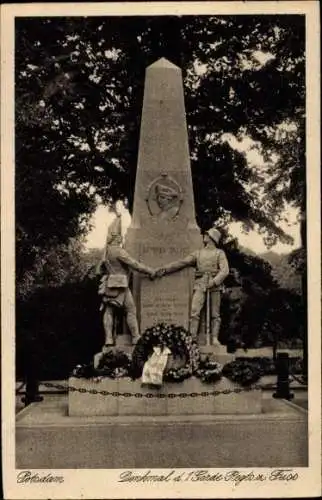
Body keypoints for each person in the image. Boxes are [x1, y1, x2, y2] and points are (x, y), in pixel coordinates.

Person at [155, 227, 229, 344]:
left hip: (215, 286)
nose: (205, 235)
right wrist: (165, 269)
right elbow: (182, 262)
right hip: (200, 284)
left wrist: (214, 282)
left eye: (207, 234)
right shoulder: (198, 253)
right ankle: (192, 338)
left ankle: (214, 338)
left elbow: (225, 270)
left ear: (212, 238)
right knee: (194, 311)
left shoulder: (219, 253)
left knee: (215, 314)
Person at [97, 206, 155, 348]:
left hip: (109, 284)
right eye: (120, 236)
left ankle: (109, 339)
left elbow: (99, 271)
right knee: (130, 310)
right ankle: (135, 337)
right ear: (117, 237)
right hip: (120, 284)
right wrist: (149, 270)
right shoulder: (118, 251)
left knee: (109, 311)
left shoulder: (106, 252)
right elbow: (134, 264)